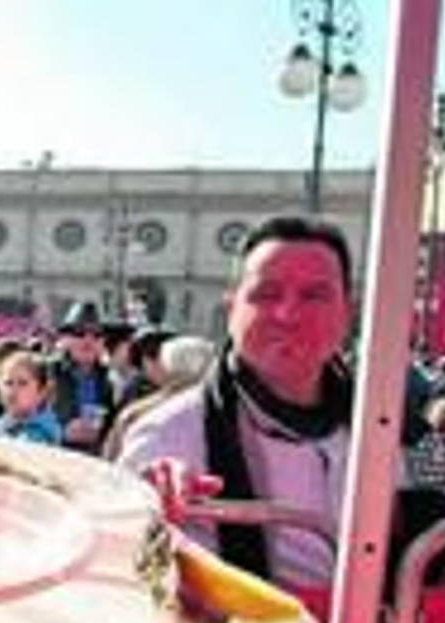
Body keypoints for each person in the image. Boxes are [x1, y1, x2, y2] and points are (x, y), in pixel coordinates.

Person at [118, 216, 355, 589]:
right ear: (231, 309)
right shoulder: (168, 437)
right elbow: (125, 574)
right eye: (267, 294)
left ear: (347, 312)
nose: (288, 314)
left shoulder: (388, 432)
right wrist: (147, 508)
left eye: (314, 296)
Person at [49, 301, 119, 454]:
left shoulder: (112, 378)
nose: (88, 340)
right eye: (79, 333)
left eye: (96, 334)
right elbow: (19, 419)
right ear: (65, 339)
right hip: (54, 460)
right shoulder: (46, 372)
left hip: (96, 463)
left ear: (103, 342)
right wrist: (60, 433)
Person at [0, 349, 62, 445]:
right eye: (8, 383)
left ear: (41, 392)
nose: (13, 390)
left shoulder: (43, 432)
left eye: (23, 383)